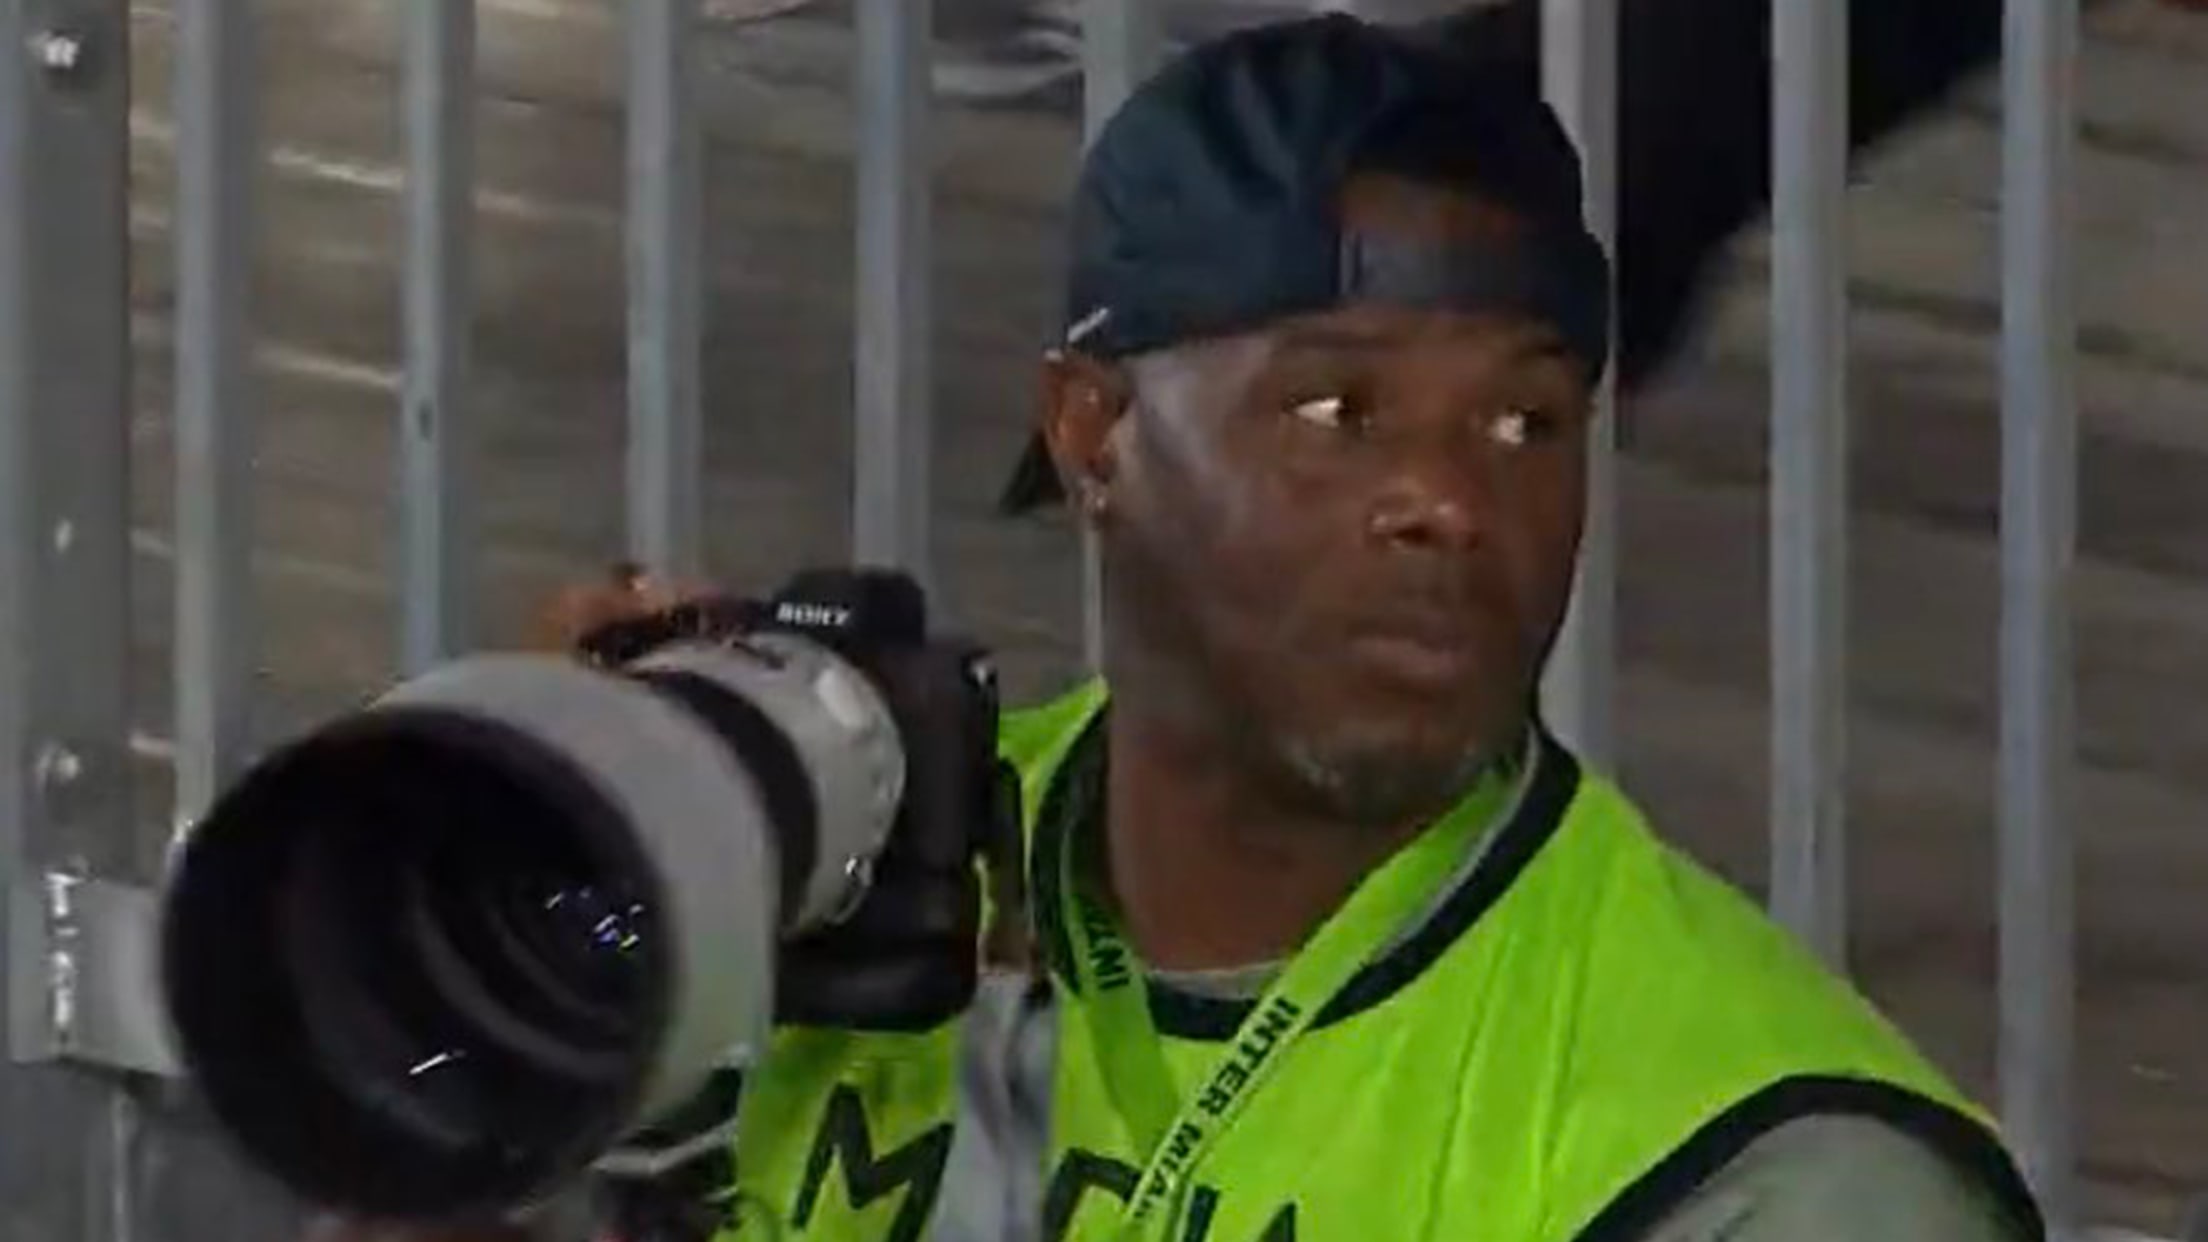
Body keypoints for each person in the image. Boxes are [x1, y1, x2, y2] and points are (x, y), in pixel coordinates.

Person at [318, 10, 2062, 1242]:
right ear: (1095, 436)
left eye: (1525, 422)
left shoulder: (1773, 1170)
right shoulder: (803, 862)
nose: (1447, 498)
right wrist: (520, 969)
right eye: (1335, 413)